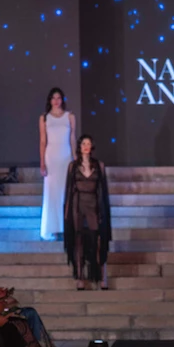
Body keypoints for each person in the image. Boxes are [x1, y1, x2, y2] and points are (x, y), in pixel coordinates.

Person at [64, 135, 111, 290]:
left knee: (97, 240)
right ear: (79, 146)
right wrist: (67, 213)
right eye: (83, 143)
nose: (86, 146)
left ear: (92, 147)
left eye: (88, 143)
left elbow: (103, 190)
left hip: (94, 206)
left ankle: (101, 276)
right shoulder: (73, 166)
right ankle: (80, 277)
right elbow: (69, 190)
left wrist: (102, 211)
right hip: (78, 207)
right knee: (78, 241)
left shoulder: (99, 165)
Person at [39, 87, 76, 241]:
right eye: (53, 98)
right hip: (51, 158)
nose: (56, 101)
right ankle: (53, 228)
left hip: (66, 157)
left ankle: (66, 227)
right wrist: (42, 162)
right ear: (50, 100)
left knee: (66, 192)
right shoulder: (44, 118)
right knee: (52, 193)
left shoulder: (70, 116)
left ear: (62, 100)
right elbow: (43, 141)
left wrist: (75, 158)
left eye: (58, 98)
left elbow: (73, 138)